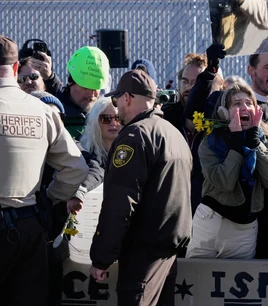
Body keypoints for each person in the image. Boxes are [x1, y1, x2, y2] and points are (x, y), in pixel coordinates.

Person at [89, 69, 192, 306]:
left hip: (143, 255)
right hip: (168, 251)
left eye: (116, 101)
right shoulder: (173, 133)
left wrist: (102, 257)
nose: (117, 109)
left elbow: (120, 203)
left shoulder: (135, 137)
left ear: (126, 98)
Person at [0, 35, 88, 306]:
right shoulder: (42, 110)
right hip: (30, 226)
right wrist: (49, 198)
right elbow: (76, 167)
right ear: (16, 69)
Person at [186, 84, 268, 259]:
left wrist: (255, 143)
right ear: (224, 113)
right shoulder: (210, 143)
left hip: (245, 227)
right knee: (198, 279)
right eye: (236, 104)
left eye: (249, 103)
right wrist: (236, 145)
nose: (244, 107)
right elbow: (224, 182)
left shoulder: (263, 140)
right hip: (211, 221)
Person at [58, 46, 110, 139]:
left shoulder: (108, 116)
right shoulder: (55, 113)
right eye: (86, 87)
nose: (91, 94)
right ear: (70, 82)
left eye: (96, 88)